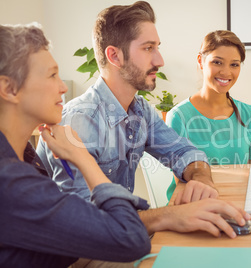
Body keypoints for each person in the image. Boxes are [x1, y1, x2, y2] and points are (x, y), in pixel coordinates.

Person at [36, 0, 250, 242]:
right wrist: (170, 216)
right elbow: (83, 225)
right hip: (76, 251)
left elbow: (183, 151)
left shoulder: (139, 110)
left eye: (157, 48)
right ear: (114, 56)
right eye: (148, 48)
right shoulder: (81, 122)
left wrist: (201, 179)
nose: (160, 60)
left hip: (117, 235)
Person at [0, 23, 152, 268]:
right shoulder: (10, 182)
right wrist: (83, 158)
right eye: (52, 75)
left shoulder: (25, 159)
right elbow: (129, 237)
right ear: (9, 88)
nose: (63, 87)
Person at [165, 30, 251, 199]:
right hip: (196, 206)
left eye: (234, 64)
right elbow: (181, 184)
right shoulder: (179, 116)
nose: (226, 72)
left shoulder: (248, 113)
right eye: (217, 62)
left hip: (239, 201)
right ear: (201, 61)